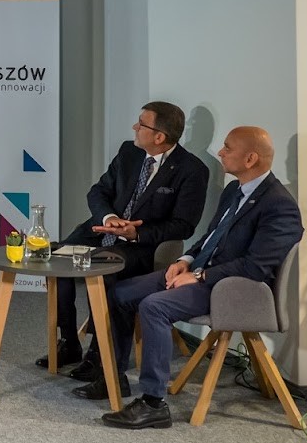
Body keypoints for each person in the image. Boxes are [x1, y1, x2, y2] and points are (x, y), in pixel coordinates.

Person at [99, 125, 303, 429]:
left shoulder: (279, 205)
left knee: (154, 306)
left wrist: (200, 275)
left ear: (250, 159)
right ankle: (113, 376)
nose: (220, 152)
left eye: (228, 148)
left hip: (231, 288)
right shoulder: (234, 191)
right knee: (121, 292)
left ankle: (153, 403)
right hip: (203, 273)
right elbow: (210, 238)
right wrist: (185, 261)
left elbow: (256, 267)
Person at [36, 102, 208, 397]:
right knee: (58, 261)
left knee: (105, 273)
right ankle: (69, 343)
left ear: (159, 136)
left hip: (142, 246)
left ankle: (100, 357)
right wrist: (109, 218)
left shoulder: (192, 170)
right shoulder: (129, 152)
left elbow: (184, 225)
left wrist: (136, 232)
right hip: (101, 230)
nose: (134, 128)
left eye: (141, 124)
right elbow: (98, 191)